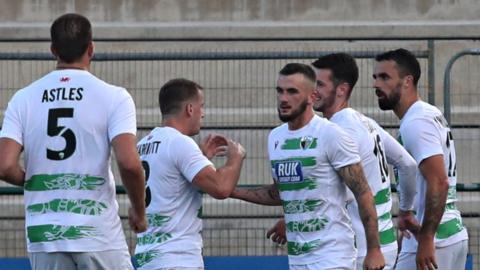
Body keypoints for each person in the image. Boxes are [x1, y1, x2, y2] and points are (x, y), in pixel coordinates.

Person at [0, 13, 146, 270]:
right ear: (91, 48)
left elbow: (4, 166)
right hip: (97, 233)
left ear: (53, 50)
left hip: (44, 235)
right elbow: (130, 164)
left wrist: (35, 178)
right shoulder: (114, 97)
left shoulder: (23, 99)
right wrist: (138, 210)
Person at [267, 53, 418, 270]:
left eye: (319, 83)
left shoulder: (339, 131)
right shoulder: (365, 121)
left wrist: (299, 217)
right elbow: (407, 165)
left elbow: (335, 190)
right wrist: (405, 210)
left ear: (341, 89)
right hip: (385, 241)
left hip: (361, 249)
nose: (314, 90)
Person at [230, 63, 385, 270]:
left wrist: (374, 250)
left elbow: (363, 192)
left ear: (312, 96)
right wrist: (229, 191)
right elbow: (279, 193)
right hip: (298, 259)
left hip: (333, 257)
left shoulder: (331, 134)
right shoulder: (275, 137)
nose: (283, 99)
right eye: (280, 91)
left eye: (292, 92)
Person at [133, 78, 246, 269]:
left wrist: (201, 159)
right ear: (190, 109)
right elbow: (221, 188)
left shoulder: (143, 144)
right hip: (176, 259)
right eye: (201, 106)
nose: (203, 113)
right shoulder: (179, 143)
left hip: (148, 258)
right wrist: (236, 157)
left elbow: (170, 183)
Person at [373, 48, 469, 270]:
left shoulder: (416, 122)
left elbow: (439, 181)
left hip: (434, 241)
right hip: (449, 234)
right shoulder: (427, 113)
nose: (377, 85)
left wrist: (426, 239)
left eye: (385, 77)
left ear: (408, 81)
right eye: (375, 77)